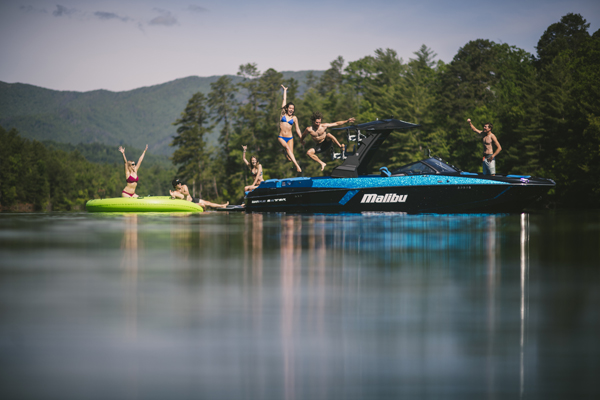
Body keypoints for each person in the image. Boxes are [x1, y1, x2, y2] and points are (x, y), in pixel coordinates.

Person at [279, 85, 303, 173]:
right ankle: (297, 166)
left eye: (293, 109)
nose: (291, 110)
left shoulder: (294, 118)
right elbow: (284, 100)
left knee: (289, 158)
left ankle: (285, 153)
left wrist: (301, 138)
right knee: (288, 149)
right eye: (290, 108)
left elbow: (297, 130)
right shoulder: (283, 114)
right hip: (281, 137)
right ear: (286, 108)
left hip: (290, 138)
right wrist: (285, 90)